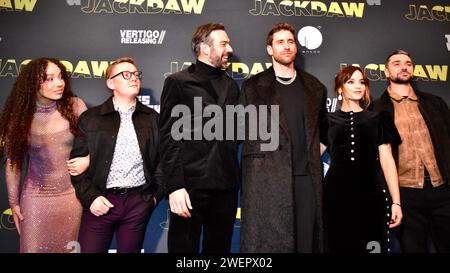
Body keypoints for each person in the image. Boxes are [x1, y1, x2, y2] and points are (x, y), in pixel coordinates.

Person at [239, 23, 327, 253]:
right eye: (280, 42)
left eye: (290, 41)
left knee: (307, 244)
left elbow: (325, 132)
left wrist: (309, 158)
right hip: (267, 183)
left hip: (306, 180)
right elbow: (241, 130)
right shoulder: (252, 86)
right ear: (270, 49)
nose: (286, 46)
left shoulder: (314, 87)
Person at [159, 23, 240, 253]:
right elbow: (168, 136)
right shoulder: (178, 82)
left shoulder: (232, 86)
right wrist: (175, 186)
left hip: (225, 187)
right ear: (205, 48)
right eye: (224, 44)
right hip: (189, 188)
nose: (230, 49)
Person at [70, 57, 162, 253]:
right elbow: (75, 166)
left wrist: (152, 198)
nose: (134, 78)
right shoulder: (91, 118)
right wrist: (91, 198)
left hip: (137, 203)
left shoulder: (153, 118)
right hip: (100, 200)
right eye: (126, 74)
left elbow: (163, 162)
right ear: (110, 83)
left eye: (136, 74)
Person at [0, 58, 89, 252]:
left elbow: (95, 146)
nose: (59, 83)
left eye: (60, 77)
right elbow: (13, 164)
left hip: (71, 199)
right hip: (35, 199)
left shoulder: (75, 106)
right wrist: (14, 203)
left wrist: (87, 160)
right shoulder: (21, 115)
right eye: (49, 79)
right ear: (33, 84)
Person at [372, 50, 450, 252]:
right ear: (387, 72)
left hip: (442, 189)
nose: (404, 66)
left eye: (408, 63)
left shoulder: (435, 103)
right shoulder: (377, 110)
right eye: (396, 63)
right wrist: (393, 200)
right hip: (405, 195)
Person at [321, 66, 403, 253]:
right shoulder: (327, 120)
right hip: (336, 195)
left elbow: (387, 160)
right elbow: (311, 155)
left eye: (362, 82)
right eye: (351, 82)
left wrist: (396, 202)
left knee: (372, 245)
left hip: (371, 194)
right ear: (340, 88)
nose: (358, 86)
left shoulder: (378, 118)